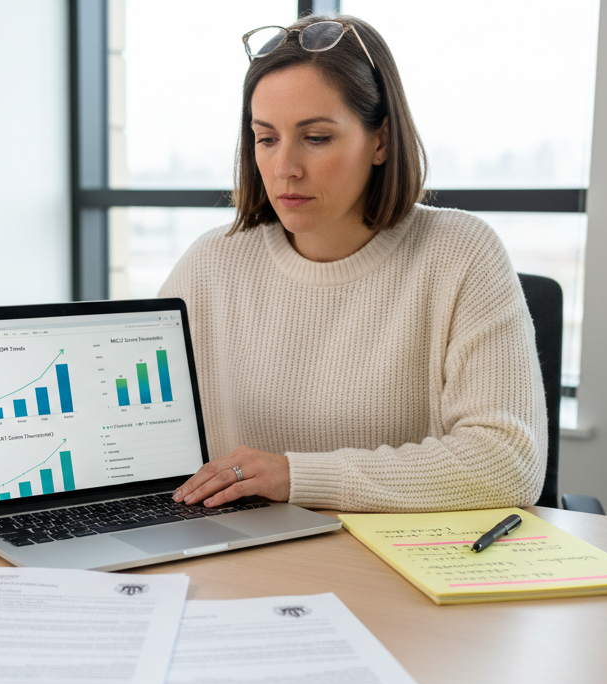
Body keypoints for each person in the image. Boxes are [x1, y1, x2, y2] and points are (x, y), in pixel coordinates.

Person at [163, 15, 546, 513]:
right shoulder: (210, 263)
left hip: (393, 568)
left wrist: (296, 476)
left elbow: (508, 462)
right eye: (266, 138)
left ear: (381, 141)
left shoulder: (461, 252)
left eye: (316, 138)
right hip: (243, 557)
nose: (285, 168)